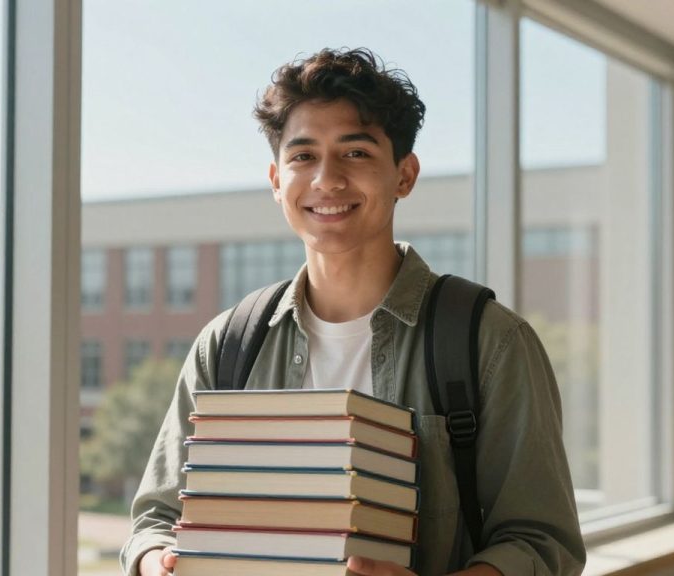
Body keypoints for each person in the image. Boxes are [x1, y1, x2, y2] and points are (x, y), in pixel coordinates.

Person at [120, 47, 586, 576]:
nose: (327, 179)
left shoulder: (490, 341)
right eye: (302, 157)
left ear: (404, 175)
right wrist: (156, 560)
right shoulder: (228, 343)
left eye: (356, 153)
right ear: (276, 180)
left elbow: (543, 544)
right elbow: (157, 518)